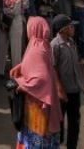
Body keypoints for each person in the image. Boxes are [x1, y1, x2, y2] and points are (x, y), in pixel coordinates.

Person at [9, 16, 62, 149]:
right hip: (42, 101)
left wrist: (22, 86)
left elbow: (41, 78)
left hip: (37, 104)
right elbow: (38, 66)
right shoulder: (42, 44)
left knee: (36, 139)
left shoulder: (36, 48)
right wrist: (21, 66)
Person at [51, 14, 83, 149]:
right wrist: (59, 89)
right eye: (70, 26)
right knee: (59, 122)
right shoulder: (55, 45)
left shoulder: (71, 42)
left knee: (74, 122)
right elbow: (52, 68)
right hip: (62, 92)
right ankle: (58, 144)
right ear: (62, 29)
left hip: (75, 89)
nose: (73, 28)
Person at [0, 0, 28, 80]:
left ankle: (16, 71)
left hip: (16, 22)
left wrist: (18, 7)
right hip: (4, 21)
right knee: (2, 45)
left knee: (16, 47)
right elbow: (0, 6)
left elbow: (23, 6)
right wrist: (9, 9)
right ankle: (0, 71)